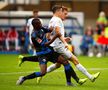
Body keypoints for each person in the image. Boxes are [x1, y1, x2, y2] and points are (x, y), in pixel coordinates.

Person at [16, 18, 87, 86]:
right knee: (43, 72)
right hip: (42, 54)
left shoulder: (41, 27)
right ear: (35, 26)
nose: (41, 25)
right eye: (39, 24)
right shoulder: (34, 35)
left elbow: (48, 30)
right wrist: (55, 37)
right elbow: (45, 44)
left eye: (40, 23)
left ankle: (71, 82)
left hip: (49, 51)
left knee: (65, 62)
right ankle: (23, 78)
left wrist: (51, 29)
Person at [44, 5, 100, 82]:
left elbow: (48, 35)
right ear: (58, 12)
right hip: (59, 47)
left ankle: (41, 74)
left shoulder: (52, 20)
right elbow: (57, 33)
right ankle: (91, 77)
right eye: (64, 13)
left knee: (58, 65)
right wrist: (64, 42)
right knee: (75, 60)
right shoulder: (57, 20)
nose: (65, 15)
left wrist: (62, 39)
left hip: (55, 46)